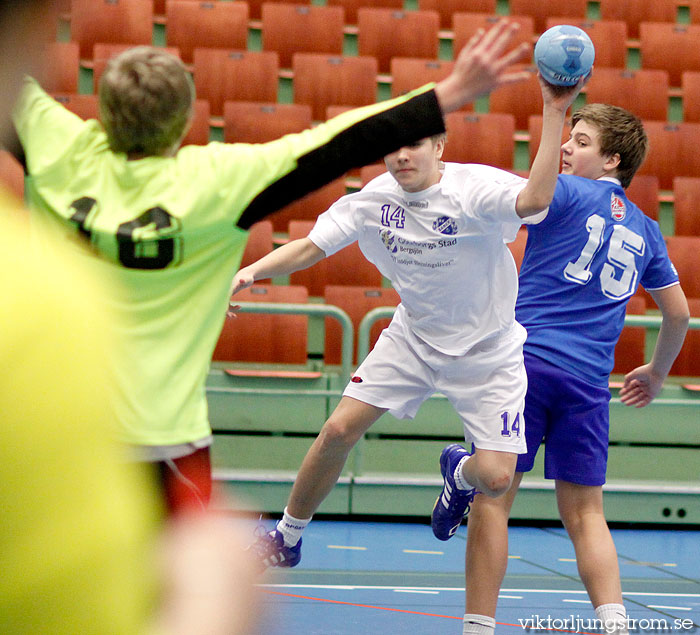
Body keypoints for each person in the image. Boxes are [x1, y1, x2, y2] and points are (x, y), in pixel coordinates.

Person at [12, 21, 533, 514]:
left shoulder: (59, 147)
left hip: (50, 426)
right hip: (163, 435)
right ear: (185, 120)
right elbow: (335, 144)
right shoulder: (216, 181)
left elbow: (14, 83)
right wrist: (453, 90)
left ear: (102, 111)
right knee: (179, 586)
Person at [234, 66, 584, 572]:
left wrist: (554, 111)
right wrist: (249, 272)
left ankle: (457, 475)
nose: (401, 155)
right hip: (414, 338)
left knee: (496, 479)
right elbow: (310, 246)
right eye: (393, 146)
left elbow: (534, 200)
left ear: (439, 146)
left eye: (414, 144)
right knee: (337, 431)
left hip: (489, 353)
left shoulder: (474, 190)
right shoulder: (374, 201)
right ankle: (287, 535)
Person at [462, 103, 690, 635]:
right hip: (588, 383)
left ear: (612, 160)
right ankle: (614, 625)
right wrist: (656, 372)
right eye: (569, 138)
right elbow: (678, 312)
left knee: (494, 498)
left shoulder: (560, 193)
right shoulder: (648, 229)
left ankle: (478, 627)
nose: (566, 148)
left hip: (525, 365)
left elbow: (513, 202)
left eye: (581, 142)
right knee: (586, 514)